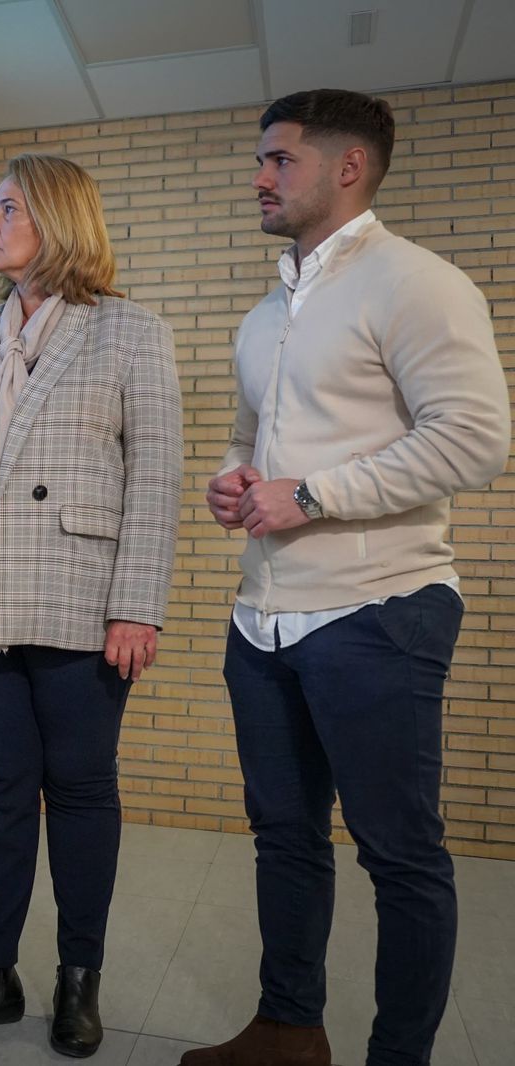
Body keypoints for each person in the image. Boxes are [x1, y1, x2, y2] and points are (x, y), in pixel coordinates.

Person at [188, 89, 509, 1066]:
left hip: (381, 612)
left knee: (399, 856)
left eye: (278, 159)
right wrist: (235, 477)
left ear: (346, 168)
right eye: (261, 159)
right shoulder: (264, 313)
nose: (258, 176)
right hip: (264, 621)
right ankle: (289, 1028)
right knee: (284, 838)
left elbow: (474, 438)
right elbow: (254, 439)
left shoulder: (417, 283)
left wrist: (313, 496)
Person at [0, 154, 182, 1058]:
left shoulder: (128, 333)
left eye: (4, 208)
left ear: (55, 219)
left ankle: (77, 977)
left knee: (84, 790)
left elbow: (158, 482)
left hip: (80, 599)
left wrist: (136, 604)